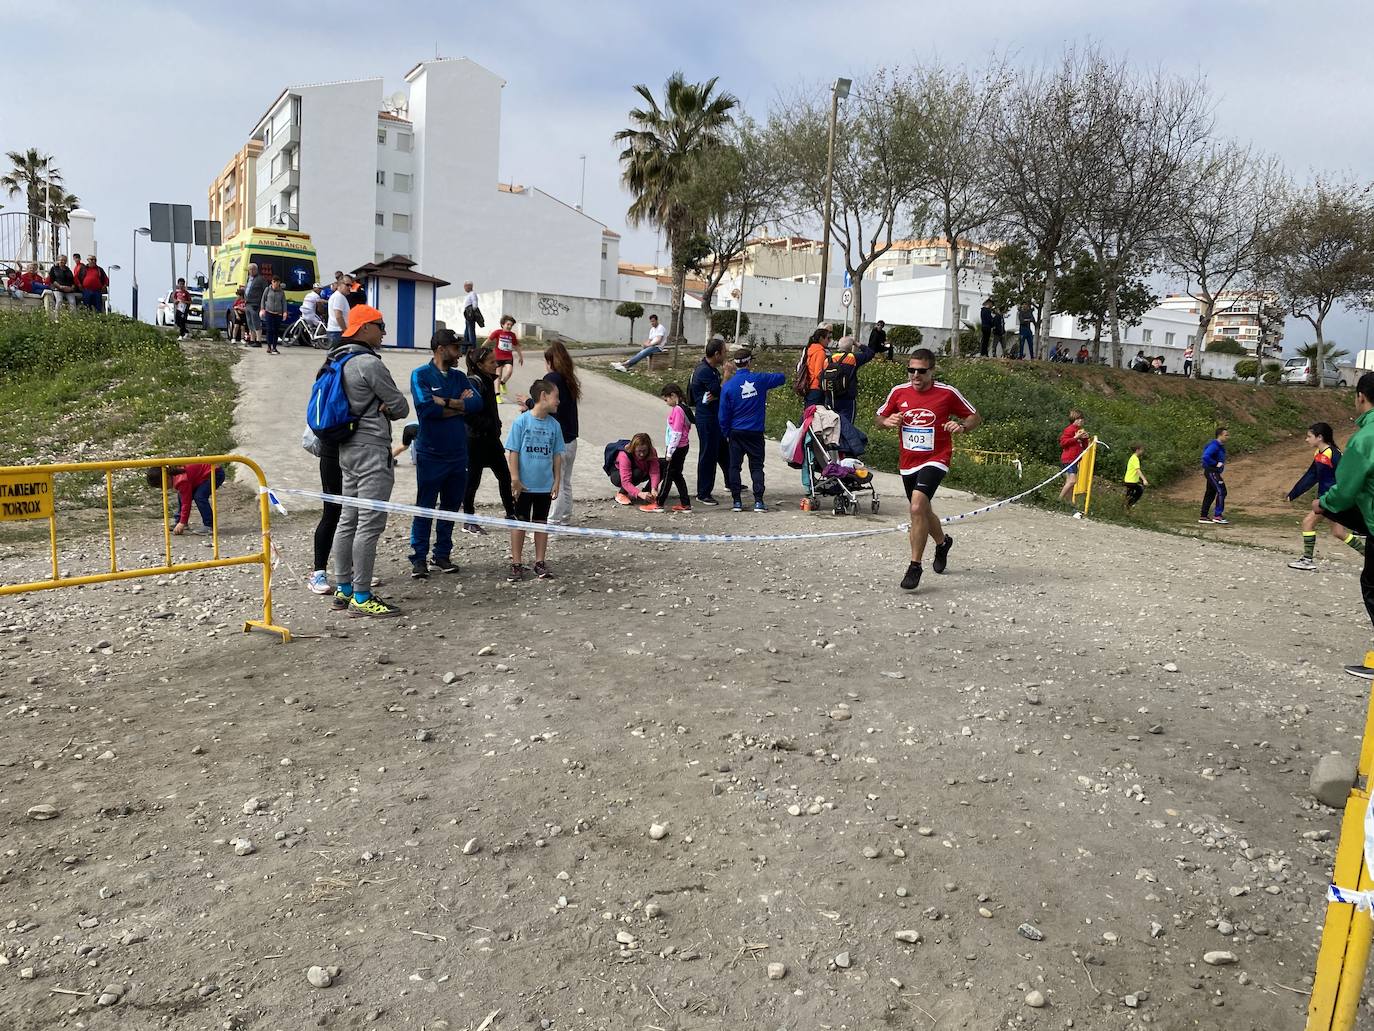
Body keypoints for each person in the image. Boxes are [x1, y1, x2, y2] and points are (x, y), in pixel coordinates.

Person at [327, 304, 411, 617]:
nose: (384, 331)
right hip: (373, 449)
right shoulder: (368, 364)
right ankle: (362, 597)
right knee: (369, 523)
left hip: (346, 449)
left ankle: (343, 589)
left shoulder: (337, 359)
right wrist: (389, 408)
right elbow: (401, 407)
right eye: (380, 324)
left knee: (348, 519)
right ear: (364, 328)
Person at [876, 347, 981, 591]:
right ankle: (943, 543)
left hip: (936, 457)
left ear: (932, 371)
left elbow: (975, 416)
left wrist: (962, 426)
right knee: (923, 510)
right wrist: (886, 421)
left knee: (916, 507)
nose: (915, 375)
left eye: (921, 371)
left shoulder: (947, 393)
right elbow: (879, 417)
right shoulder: (898, 392)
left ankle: (914, 567)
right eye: (911, 370)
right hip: (908, 462)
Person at [1306, 376, 1374, 676]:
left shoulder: (1361, 438)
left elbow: (1345, 489)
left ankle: (1307, 558)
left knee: (1372, 584)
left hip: (1365, 513)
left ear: (1361, 397)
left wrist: (1323, 502)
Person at [408, 328, 481, 580]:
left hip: (458, 454)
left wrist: (447, 402)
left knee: (450, 507)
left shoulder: (460, 377)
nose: (459, 352)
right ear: (441, 349)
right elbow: (427, 409)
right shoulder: (420, 375)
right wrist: (459, 405)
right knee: (425, 507)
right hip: (430, 453)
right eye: (455, 347)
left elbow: (476, 404)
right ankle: (418, 558)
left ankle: (442, 554)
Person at [505, 378, 565, 582]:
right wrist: (515, 479)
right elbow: (513, 451)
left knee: (541, 523)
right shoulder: (522, 422)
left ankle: (540, 561)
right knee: (519, 523)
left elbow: (557, 455)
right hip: (524, 485)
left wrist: (557, 480)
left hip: (544, 485)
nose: (558, 401)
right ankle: (516, 563)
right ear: (543, 396)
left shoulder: (555, 426)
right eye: (556, 397)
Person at [719, 347, 788, 512]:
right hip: (755, 432)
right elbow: (782, 378)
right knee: (756, 467)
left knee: (734, 466)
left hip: (736, 432)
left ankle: (737, 502)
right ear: (749, 362)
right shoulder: (760, 379)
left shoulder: (728, 387)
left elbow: (723, 415)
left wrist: (726, 432)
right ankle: (758, 501)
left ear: (735, 365)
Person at [461, 345, 517, 534]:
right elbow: (466, 413)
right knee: (472, 481)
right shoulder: (473, 383)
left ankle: (511, 513)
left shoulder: (487, 380)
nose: (496, 365)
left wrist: (496, 425)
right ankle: (468, 519)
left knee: (504, 475)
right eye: (492, 362)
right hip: (475, 441)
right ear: (479, 364)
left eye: (496, 361)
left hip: (491, 439)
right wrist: (486, 425)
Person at [1287, 422, 1356, 570]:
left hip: (1330, 499)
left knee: (1307, 523)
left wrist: (1343, 497)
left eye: (1309, 436)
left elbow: (1346, 476)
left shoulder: (1334, 454)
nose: (1306, 439)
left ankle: (1307, 560)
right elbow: (1311, 476)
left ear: (1319, 437)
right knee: (1339, 533)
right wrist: (1294, 493)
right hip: (1326, 499)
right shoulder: (1319, 454)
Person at [541, 341, 581, 525]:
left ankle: (553, 522)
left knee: (555, 482)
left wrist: (528, 403)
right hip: (571, 438)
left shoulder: (552, 378)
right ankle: (564, 518)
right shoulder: (569, 379)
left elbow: (545, 404)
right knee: (565, 481)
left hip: (558, 439)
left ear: (550, 361)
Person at [690, 337, 730, 505]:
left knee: (724, 451)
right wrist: (726, 376)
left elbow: (717, 392)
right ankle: (703, 492)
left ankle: (731, 482)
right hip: (706, 419)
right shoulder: (704, 371)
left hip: (715, 417)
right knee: (708, 454)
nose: (726, 354)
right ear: (716, 354)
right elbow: (718, 390)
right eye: (724, 352)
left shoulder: (712, 369)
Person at [145, 463, 226, 536]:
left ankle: (209, 526)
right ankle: (179, 521)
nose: (163, 489)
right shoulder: (174, 474)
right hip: (203, 475)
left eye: (162, 486)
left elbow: (186, 504)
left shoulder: (181, 481)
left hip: (214, 473)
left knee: (199, 497)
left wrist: (182, 523)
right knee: (181, 495)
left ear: (166, 477)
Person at [824, 334, 875, 425]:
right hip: (847, 397)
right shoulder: (853, 358)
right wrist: (856, 343)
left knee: (831, 424)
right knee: (847, 425)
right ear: (851, 347)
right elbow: (870, 353)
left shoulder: (829, 360)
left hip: (831, 396)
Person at [658, 383, 693, 512]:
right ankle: (685, 503)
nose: (666, 403)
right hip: (683, 446)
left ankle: (659, 503)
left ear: (673, 396)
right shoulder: (684, 408)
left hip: (677, 447)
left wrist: (670, 452)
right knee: (677, 475)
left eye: (666, 399)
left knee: (668, 475)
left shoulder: (678, 410)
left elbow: (676, 432)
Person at [612, 433, 662, 511]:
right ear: (633, 448)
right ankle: (622, 493)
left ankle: (649, 493)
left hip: (642, 470)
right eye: (639, 451)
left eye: (644, 451)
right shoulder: (624, 455)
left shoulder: (652, 451)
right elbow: (625, 481)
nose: (642, 454)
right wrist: (639, 494)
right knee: (637, 473)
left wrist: (654, 488)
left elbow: (655, 472)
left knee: (664, 464)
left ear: (649, 448)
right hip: (619, 476)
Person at [1058, 410, 1090, 513]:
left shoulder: (1081, 430)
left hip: (1075, 459)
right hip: (1068, 458)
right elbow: (1063, 443)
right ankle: (1058, 500)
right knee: (1072, 481)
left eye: (1082, 419)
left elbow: (1085, 447)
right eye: (1078, 419)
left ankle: (1069, 504)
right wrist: (1076, 437)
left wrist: (1085, 439)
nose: (1081, 421)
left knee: (1070, 483)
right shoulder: (1069, 430)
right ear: (1074, 420)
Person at [487, 314, 523, 400]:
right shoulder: (497, 332)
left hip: (508, 356)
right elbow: (489, 340)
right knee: (498, 375)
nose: (509, 326)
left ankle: (503, 382)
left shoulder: (512, 335)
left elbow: (516, 346)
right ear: (502, 324)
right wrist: (481, 347)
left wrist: (521, 356)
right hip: (498, 356)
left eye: (511, 325)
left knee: (509, 371)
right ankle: (497, 395)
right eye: (508, 324)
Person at [1199, 426, 1230, 525]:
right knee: (1222, 491)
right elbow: (1205, 456)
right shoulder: (1215, 445)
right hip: (1212, 471)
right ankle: (1218, 516)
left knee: (1210, 493)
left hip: (1213, 472)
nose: (1228, 437)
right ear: (1220, 435)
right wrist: (1215, 464)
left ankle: (1203, 516)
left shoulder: (1220, 446)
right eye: (1226, 435)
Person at [799, 326, 834, 408]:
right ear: (821, 338)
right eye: (828, 338)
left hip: (809, 385)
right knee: (813, 414)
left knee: (808, 412)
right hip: (817, 387)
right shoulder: (820, 352)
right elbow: (818, 372)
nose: (829, 341)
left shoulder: (811, 349)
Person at [243, 263, 268, 346]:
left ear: (255, 270)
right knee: (250, 322)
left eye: (251, 269)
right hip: (248, 303)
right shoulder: (249, 279)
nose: (250, 271)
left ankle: (258, 341)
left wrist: (263, 304)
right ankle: (252, 339)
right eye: (249, 269)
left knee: (256, 322)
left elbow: (265, 291)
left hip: (255, 304)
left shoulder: (261, 279)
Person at [260, 275, 287, 354]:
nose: (275, 284)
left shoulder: (281, 292)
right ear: (272, 282)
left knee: (276, 330)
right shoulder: (267, 289)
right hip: (269, 312)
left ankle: (274, 347)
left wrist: (284, 312)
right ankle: (269, 347)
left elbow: (284, 302)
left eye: (277, 282)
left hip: (278, 313)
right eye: (274, 282)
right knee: (269, 329)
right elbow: (263, 299)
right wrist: (262, 308)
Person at [326, 274, 353, 346]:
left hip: (336, 332)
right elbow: (338, 316)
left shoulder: (339, 296)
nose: (349, 287)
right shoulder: (339, 297)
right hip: (337, 332)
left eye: (351, 285)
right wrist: (345, 331)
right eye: (347, 285)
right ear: (340, 284)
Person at [1123, 444, 1149, 513]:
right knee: (1139, 490)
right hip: (1131, 481)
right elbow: (1138, 470)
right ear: (1137, 450)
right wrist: (1144, 480)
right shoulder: (1135, 458)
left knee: (1129, 495)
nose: (1142, 451)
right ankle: (1128, 507)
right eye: (1141, 450)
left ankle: (1126, 508)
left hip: (1130, 480)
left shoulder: (1133, 458)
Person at [462, 281, 482, 353]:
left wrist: (471, 313)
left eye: (465, 286)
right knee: (466, 333)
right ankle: (464, 349)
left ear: (469, 286)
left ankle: (472, 349)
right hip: (467, 315)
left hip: (470, 315)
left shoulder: (473, 294)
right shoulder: (469, 295)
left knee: (471, 332)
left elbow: (475, 305)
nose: (464, 288)